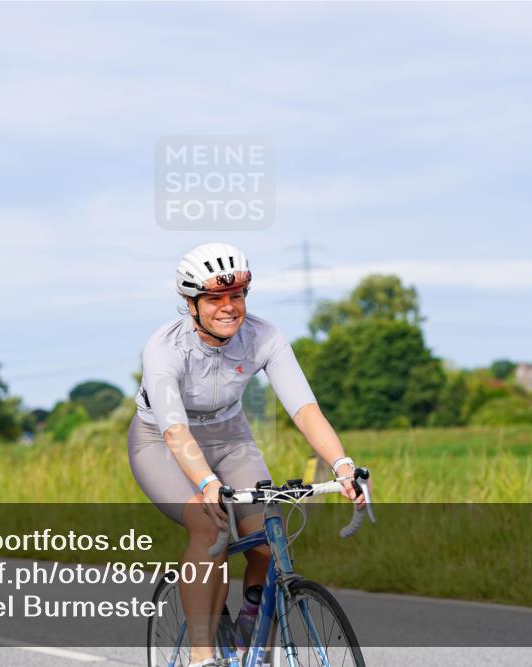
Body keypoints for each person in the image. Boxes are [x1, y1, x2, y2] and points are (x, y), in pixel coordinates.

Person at [129, 242, 366, 667]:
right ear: (191, 303)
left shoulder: (264, 337)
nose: (229, 308)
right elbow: (175, 429)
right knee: (209, 525)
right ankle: (202, 656)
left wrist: (342, 464)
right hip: (161, 442)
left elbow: (304, 409)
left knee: (268, 535)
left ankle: (247, 632)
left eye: (236, 296)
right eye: (216, 298)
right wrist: (207, 484)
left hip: (231, 437)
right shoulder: (164, 348)